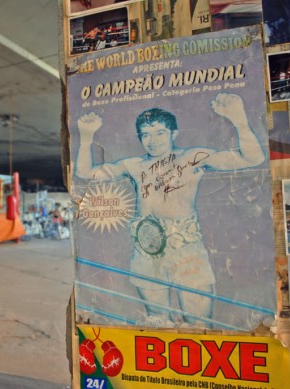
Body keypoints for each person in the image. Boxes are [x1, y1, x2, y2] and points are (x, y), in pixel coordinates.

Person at [75, 93, 265, 327]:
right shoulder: (133, 165)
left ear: (174, 134)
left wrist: (239, 121)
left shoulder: (191, 157)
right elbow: (85, 173)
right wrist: (86, 138)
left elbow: (253, 158)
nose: (152, 141)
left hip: (186, 247)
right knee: (157, 321)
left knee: (198, 325)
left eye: (160, 133)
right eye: (146, 135)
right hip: (146, 250)